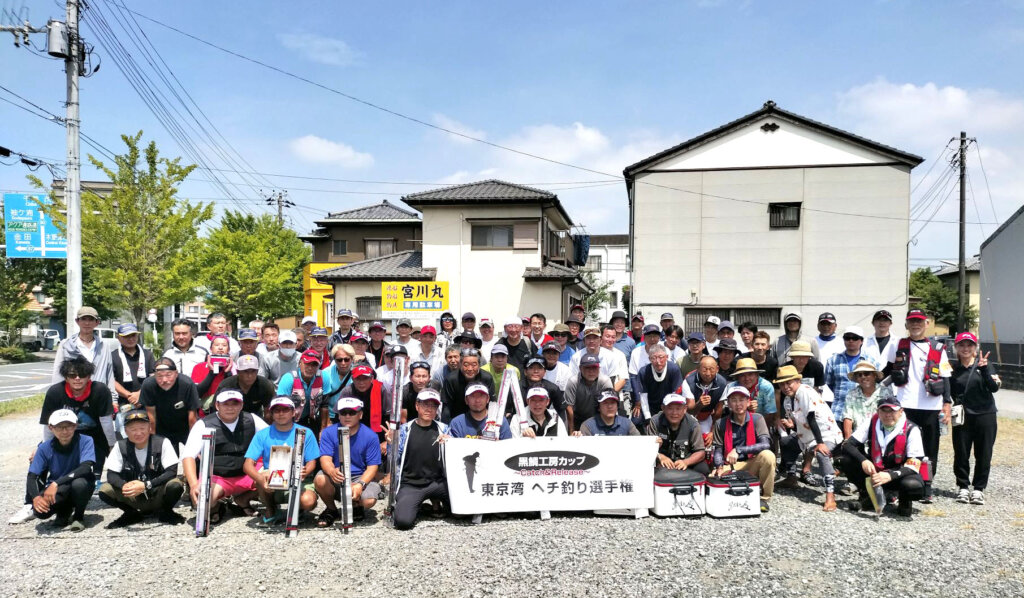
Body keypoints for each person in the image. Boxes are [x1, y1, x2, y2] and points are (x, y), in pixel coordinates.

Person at [882, 308, 951, 503]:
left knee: (929, 448)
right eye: (912, 321)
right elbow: (887, 370)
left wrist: (946, 404)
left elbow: (945, 378)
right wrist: (872, 381)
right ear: (906, 324)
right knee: (900, 445)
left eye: (919, 321)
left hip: (931, 406)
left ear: (926, 324)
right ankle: (897, 484)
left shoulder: (938, 348)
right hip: (904, 405)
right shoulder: (897, 344)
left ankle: (927, 486)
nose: (915, 325)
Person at [181, 389, 268, 523]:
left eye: (235, 404)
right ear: (217, 405)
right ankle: (217, 505)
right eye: (225, 404)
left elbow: (272, 440)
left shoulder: (252, 419)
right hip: (219, 477)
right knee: (202, 502)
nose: (230, 408)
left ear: (241, 405)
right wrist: (193, 485)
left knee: (275, 477)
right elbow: (188, 456)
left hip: (248, 472)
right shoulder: (203, 424)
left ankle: (244, 499)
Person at [841, 394, 926, 517]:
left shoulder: (912, 429)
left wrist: (890, 475)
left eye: (892, 411)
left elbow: (914, 464)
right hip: (875, 471)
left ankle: (904, 501)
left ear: (901, 411)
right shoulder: (872, 422)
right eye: (883, 411)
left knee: (912, 485)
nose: (887, 415)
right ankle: (867, 495)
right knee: (844, 460)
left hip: (899, 473)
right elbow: (848, 445)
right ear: (878, 411)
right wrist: (864, 460)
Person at [98, 409, 185, 527]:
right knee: (105, 490)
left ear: (149, 428)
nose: (138, 433)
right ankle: (131, 513)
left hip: (156, 492)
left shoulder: (162, 442)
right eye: (133, 429)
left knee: (175, 485)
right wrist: (124, 485)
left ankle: (166, 511)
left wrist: (146, 485)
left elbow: (172, 471)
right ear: (126, 431)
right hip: (132, 495)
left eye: (142, 428)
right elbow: (111, 474)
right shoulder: (120, 446)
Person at [774, 365, 842, 511]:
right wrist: (792, 424)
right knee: (786, 442)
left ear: (798, 380)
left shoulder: (804, 391)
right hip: (806, 436)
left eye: (789, 382)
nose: (786, 387)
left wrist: (820, 443)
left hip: (825, 434)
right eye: (782, 383)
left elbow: (812, 418)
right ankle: (791, 477)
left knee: (822, 454)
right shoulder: (787, 400)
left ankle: (830, 494)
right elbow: (801, 421)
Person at [243, 396, 320, 526]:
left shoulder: (305, 432)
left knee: (308, 501)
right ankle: (271, 510)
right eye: (276, 410)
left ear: (293, 412)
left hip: (299, 479)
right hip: (273, 479)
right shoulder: (262, 434)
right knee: (262, 475)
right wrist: (260, 479)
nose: (281, 414)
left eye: (285, 410)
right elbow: (247, 464)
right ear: (271, 413)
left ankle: (299, 510)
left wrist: (306, 471)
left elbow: (312, 462)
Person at [39, 356, 116, 476]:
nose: (77, 378)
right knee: (39, 454)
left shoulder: (100, 390)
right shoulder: (55, 392)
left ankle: (101, 478)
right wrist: (46, 447)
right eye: (72, 375)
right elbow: (47, 424)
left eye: (82, 374)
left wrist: (112, 446)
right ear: (66, 377)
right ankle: (43, 485)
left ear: (89, 376)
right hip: (65, 433)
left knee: (114, 452)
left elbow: (106, 422)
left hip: (96, 434)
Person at [315, 397, 384, 525]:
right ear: (338, 415)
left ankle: (356, 505)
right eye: (343, 412)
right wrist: (331, 471)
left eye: (352, 412)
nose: (347, 416)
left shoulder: (371, 436)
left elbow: (372, 466)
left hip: (360, 476)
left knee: (368, 500)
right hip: (338, 476)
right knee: (320, 479)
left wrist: (360, 484)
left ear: (360, 414)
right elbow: (325, 458)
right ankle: (331, 509)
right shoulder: (328, 433)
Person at [950, 331, 1000, 505]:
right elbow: (947, 392)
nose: (965, 348)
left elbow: (994, 388)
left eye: (969, 345)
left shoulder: (985, 365)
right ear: (955, 348)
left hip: (985, 415)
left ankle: (979, 489)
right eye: (961, 345)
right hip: (962, 417)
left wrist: (985, 369)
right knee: (961, 453)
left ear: (975, 347)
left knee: (984, 453)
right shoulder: (951, 369)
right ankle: (963, 486)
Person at [25, 410, 96, 531]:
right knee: (40, 512)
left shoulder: (86, 440)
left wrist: (56, 483)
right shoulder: (44, 447)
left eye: (68, 426)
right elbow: (32, 476)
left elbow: (85, 467)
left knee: (79, 484)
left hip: (78, 482)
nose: (64, 431)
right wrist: (36, 498)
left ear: (75, 426)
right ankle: (64, 511)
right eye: (59, 427)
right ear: (51, 428)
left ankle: (78, 517)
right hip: (59, 488)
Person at [393, 389, 450, 530]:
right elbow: (395, 459)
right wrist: (391, 443)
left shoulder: (443, 429)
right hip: (412, 484)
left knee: (462, 512)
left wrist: (450, 442)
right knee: (403, 522)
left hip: (438, 483)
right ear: (417, 406)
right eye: (425, 405)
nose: (429, 409)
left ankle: (435, 501)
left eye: (433, 406)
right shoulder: (405, 430)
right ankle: (417, 504)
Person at [711, 387, 774, 513]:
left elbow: (765, 444)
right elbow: (717, 448)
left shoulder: (757, 419)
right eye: (733, 400)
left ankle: (763, 497)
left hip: (752, 461)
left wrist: (739, 450)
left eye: (742, 400)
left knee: (768, 456)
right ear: (728, 404)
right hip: (731, 464)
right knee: (712, 477)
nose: (738, 404)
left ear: (748, 402)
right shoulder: (721, 423)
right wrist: (718, 466)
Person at [51, 306, 116, 403]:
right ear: (77, 321)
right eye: (83, 319)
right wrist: (56, 398)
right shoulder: (66, 344)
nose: (87, 323)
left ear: (97, 322)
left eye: (91, 319)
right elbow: (58, 372)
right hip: (73, 397)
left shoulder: (104, 345)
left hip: (98, 396)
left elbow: (109, 373)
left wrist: (113, 399)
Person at [141, 359, 201, 451]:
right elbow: (151, 417)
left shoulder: (187, 384)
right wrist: (152, 441)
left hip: (185, 425)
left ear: (176, 373)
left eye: (168, 375)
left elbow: (192, 418)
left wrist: (194, 442)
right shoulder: (148, 385)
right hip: (161, 426)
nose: (164, 380)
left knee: (194, 457)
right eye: (159, 376)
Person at [825, 326, 881, 421]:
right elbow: (829, 383)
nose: (851, 341)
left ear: (861, 341)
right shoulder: (833, 360)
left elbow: (876, 384)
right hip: (839, 412)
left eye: (855, 338)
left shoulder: (871, 361)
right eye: (847, 338)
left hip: (863, 413)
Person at [647, 394, 708, 474]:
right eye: (670, 408)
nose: (674, 413)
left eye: (678, 409)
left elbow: (700, 452)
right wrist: (660, 456)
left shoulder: (693, 424)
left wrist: (686, 462)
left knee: (703, 469)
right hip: (662, 462)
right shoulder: (655, 422)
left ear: (685, 409)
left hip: (685, 461)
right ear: (663, 408)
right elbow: (647, 449)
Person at [336, 365, 391, 453]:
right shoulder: (347, 391)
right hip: (352, 433)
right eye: (358, 379)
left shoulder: (381, 389)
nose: (361, 382)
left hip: (377, 433)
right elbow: (338, 416)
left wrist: (386, 441)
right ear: (352, 379)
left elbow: (388, 417)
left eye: (365, 378)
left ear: (372, 378)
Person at [110, 323, 156, 426]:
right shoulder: (113, 356)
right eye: (126, 336)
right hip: (123, 403)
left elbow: (153, 377)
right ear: (119, 338)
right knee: (124, 435)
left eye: (133, 335)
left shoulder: (148, 354)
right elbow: (111, 380)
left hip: (146, 402)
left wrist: (140, 394)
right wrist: (129, 395)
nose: (130, 339)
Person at [680, 356, 729, 450]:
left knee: (708, 441)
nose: (708, 373)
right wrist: (699, 404)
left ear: (717, 369)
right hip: (688, 417)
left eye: (711, 369)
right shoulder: (688, 381)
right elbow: (689, 411)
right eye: (704, 369)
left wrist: (713, 431)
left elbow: (718, 412)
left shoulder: (722, 383)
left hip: (708, 416)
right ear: (698, 369)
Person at [278, 349, 329, 437]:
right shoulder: (288, 379)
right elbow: (281, 407)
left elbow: (325, 405)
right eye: (307, 364)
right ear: (300, 363)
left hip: (314, 420)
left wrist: (323, 428)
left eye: (314, 365)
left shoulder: (324, 377)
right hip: (292, 420)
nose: (310, 368)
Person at [563, 354, 614, 433]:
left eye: (594, 368)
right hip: (577, 417)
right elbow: (569, 408)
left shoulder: (605, 381)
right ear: (580, 368)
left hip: (598, 418)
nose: (591, 371)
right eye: (587, 368)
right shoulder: (573, 381)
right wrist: (571, 430)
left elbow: (608, 405)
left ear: (599, 368)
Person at [841, 360, 893, 438]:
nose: (863, 377)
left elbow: (892, 416)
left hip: (881, 436)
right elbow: (848, 417)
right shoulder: (851, 394)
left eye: (866, 373)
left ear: (874, 376)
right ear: (857, 379)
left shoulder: (886, 392)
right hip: (858, 438)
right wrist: (847, 440)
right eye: (859, 375)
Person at [633, 344, 683, 425]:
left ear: (666, 357)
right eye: (654, 358)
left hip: (669, 405)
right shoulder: (644, 372)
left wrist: (670, 412)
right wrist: (648, 418)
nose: (658, 361)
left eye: (661, 357)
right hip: (650, 406)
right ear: (649, 359)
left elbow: (676, 393)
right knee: (636, 421)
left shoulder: (674, 369)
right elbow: (643, 396)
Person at [441, 348, 495, 422]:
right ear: (460, 364)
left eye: (474, 365)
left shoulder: (487, 378)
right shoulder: (451, 379)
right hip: (457, 419)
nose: (470, 369)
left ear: (479, 365)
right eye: (466, 365)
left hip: (482, 419)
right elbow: (446, 407)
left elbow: (492, 404)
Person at [726, 358, 777, 428]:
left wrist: (760, 429)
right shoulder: (731, 387)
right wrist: (745, 408)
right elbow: (728, 410)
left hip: (761, 424)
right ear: (737, 377)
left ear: (757, 375)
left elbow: (770, 412)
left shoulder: (766, 387)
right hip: (736, 424)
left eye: (750, 374)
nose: (747, 379)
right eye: (742, 375)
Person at [191, 335, 235, 410]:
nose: (220, 348)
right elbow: (197, 393)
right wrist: (212, 373)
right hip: (205, 414)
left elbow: (234, 393)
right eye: (217, 345)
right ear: (211, 348)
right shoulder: (199, 367)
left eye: (224, 345)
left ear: (228, 349)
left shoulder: (234, 367)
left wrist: (228, 374)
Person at [574, 391, 640, 436]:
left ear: (617, 406)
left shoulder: (627, 423)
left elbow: (640, 442)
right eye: (605, 403)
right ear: (598, 407)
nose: (609, 406)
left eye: (613, 403)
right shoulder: (587, 426)